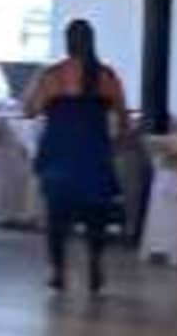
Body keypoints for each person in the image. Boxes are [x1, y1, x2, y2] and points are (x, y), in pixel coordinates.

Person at [21, 18, 129, 294]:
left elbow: (30, 110)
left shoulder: (53, 75)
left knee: (57, 214)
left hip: (59, 151)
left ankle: (58, 270)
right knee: (96, 214)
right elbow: (123, 119)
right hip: (94, 152)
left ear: (67, 42)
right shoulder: (107, 76)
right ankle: (95, 262)